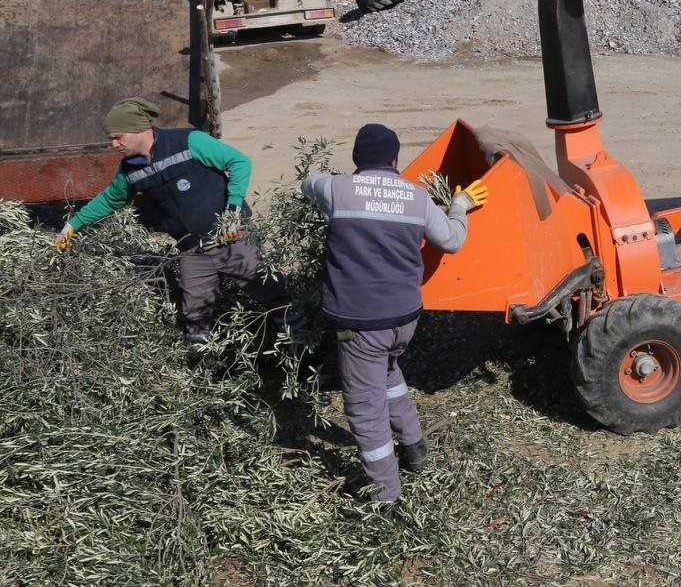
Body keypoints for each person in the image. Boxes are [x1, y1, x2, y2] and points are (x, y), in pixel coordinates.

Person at [301, 123, 487, 505]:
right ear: (395, 159)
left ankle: (385, 497)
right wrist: (460, 205)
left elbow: (308, 183)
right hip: (404, 318)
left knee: (365, 410)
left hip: (360, 324)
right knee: (389, 376)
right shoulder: (417, 198)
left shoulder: (337, 189)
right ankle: (415, 448)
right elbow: (452, 240)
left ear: (356, 160)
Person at [56, 97, 290, 355]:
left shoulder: (190, 141)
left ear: (138, 130)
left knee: (273, 294)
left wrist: (233, 209)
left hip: (232, 238)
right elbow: (112, 199)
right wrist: (72, 225)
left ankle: (300, 352)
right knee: (195, 314)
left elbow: (239, 162)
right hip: (191, 249)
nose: (114, 144)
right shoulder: (130, 169)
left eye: (118, 136)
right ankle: (206, 372)